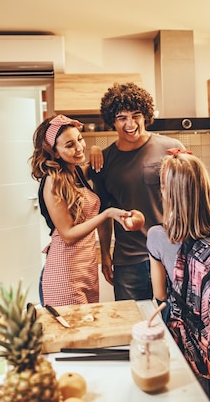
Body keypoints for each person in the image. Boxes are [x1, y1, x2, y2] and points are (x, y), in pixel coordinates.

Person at [146, 149, 210, 402]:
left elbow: (160, 293)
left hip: (185, 329)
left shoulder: (158, 235)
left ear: (167, 192)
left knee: (193, 390)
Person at [89, 82, 186, 301]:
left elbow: (191, 194)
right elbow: (104, 212)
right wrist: (105, 253)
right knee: (133, 326)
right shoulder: (105, 161)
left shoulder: (171, 148)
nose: (130, 124)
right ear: (112, 120)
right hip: (128, 262)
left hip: (171, 254)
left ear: (146, 116)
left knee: (174, 326)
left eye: (136, 115)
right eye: (122, 118)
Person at [30, 114, 130, 306]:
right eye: (69, 145)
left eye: (80, 139)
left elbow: (93, 166)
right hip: (65, 274)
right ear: (55, 152)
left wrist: (95, 148)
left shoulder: (75, 172)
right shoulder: (53, 181)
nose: (78, 148)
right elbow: (67, 234)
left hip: (85, 269)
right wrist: (107, 214)